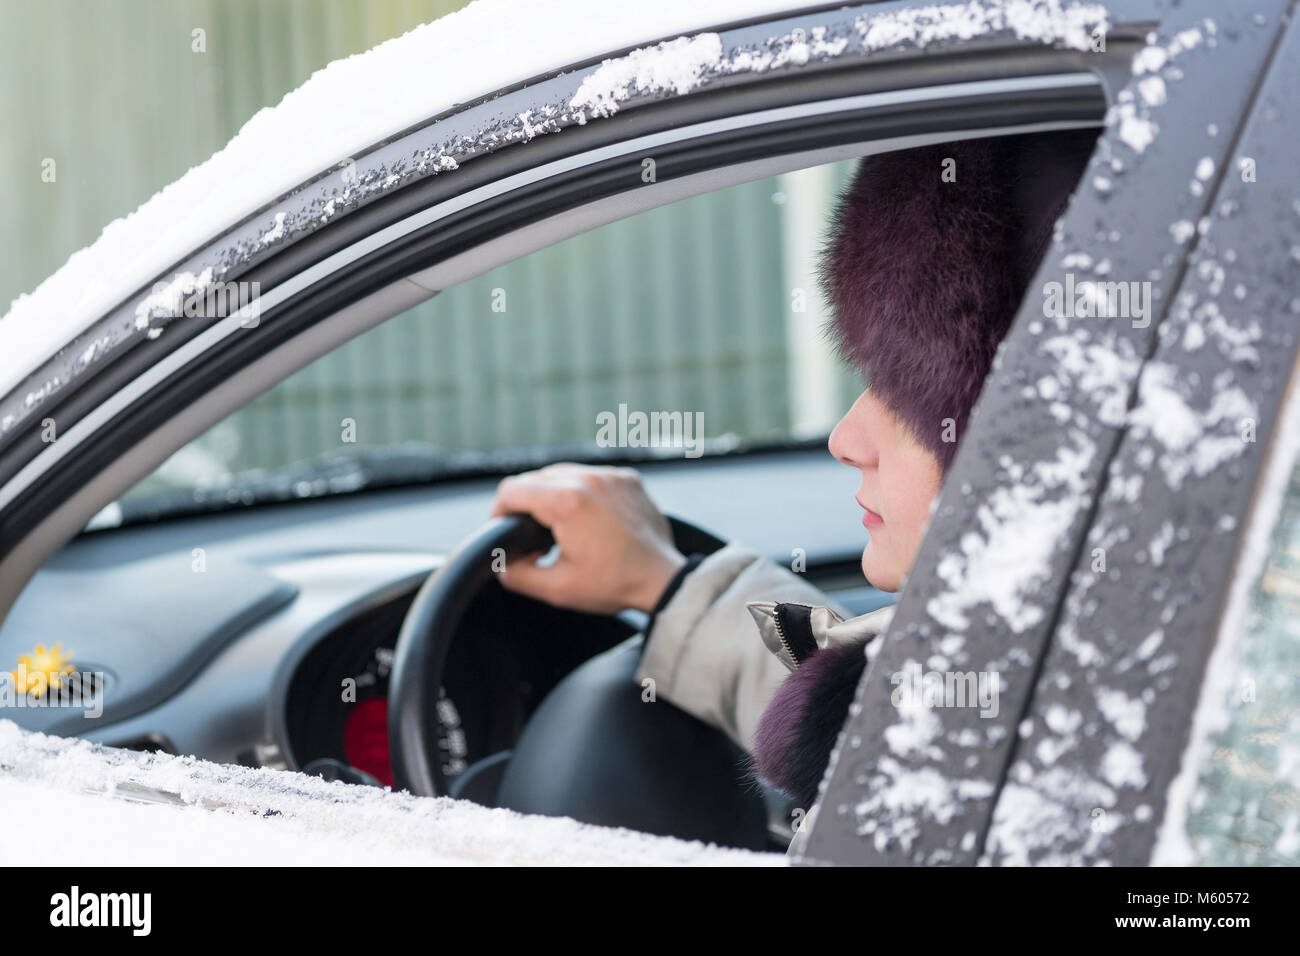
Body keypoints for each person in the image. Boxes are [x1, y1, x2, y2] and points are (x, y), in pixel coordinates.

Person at [490, 128, 1097, 811]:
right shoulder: (1077, 698)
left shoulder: (1034, 782)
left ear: (1039, 430)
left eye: (904, 392)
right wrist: (663, 587)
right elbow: (871, 716)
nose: (846, 440)